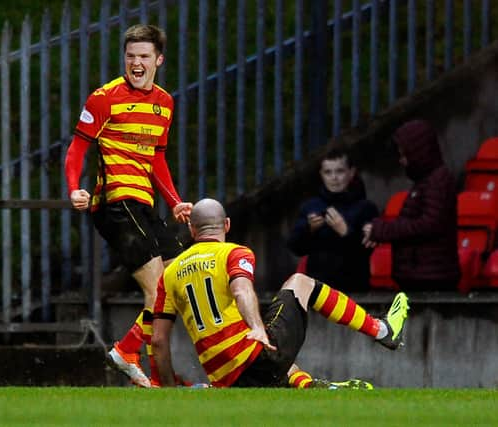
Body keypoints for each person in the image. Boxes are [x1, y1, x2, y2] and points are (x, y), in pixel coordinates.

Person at [152, 198, 409, 388]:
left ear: (192, 230)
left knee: (274, 353)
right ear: (227, 225)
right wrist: (257, 328)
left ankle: (314, 387)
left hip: (225, 379)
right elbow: (241, 290)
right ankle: (382, 330)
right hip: (254, 361)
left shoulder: (170, 273)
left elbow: (159, 342)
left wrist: (169, 390)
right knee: (300, 283)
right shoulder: (234, 253)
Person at [65, 24, 192, 388]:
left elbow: (157, 159)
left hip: (145, 205)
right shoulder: (104, 98)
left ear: (159, 60)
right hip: (115, 204)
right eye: (131, 56)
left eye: (144, 57)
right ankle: (127, 350)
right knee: (159, 291)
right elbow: (76, 149)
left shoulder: (165, 102)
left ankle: (158, 377)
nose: (136, 63)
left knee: (179, 284)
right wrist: (74, 189)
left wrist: (175, 201)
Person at [362, 119, 461, 291]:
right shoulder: (426, 182)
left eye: (404, 155)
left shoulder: (437, 181)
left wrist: (382, 231)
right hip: (420, 275)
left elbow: (429, 224)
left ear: (419, 153)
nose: (402, 161)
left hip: (431, 279)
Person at [287, 148, 379, 291]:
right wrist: (309, 229)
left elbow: (367, 252)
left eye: (340, 171)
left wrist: (346, 232)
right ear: (321, 175)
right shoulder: (311, 206)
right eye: (328, 172)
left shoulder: (366, 208)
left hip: (355, 288)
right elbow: (295, 247)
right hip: (318, 289)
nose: (334, 178)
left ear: (351, 172)